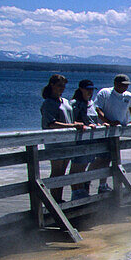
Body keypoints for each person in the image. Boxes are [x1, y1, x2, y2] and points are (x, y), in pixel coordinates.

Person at [40, 74, 84, 203]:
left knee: (63, 171)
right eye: (59, 85)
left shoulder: (64, 101)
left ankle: (58, 198)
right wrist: (72, 125)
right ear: (52, 85)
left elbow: (69, 118)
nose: (62, 88)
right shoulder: (48, 103)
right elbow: (51, 123)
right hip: (55, 142)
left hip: (68, 141)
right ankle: (54, 200)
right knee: (57, 171)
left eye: (64, 86)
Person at [70, 79, 111, 199]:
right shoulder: (74, 103)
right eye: (87, 89)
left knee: (84, 166)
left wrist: (100, 125)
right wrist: (85, 126)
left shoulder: (91, 103)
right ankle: (75, 192)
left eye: (92, 89)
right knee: (77, 166)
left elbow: (93, 120)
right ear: (81, 89)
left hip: (91, 140)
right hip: (79, 141)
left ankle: (82, 189)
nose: (90, 91)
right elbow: (72, 121)